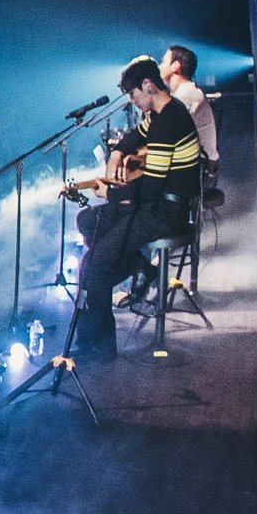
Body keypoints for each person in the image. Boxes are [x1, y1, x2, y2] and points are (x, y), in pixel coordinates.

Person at [71, 56, 207, 361]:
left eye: (133, 95)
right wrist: (118, 154)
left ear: (148, 85)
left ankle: (100, 347)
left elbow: (148, 191)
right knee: (88, 221)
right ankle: (139, 267)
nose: (133, 102)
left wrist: (112, 192)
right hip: (155, 207)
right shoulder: (161, 114)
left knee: (93, 267)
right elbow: (136, 136)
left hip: (163, 214)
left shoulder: (168, 123)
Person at [161, 44, 220, 175]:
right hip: (197, 164)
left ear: (175, 66)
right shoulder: (184, 93)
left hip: (199, 168)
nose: (160, 66)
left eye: (164, 61)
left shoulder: (187, 93)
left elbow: (166, 131)